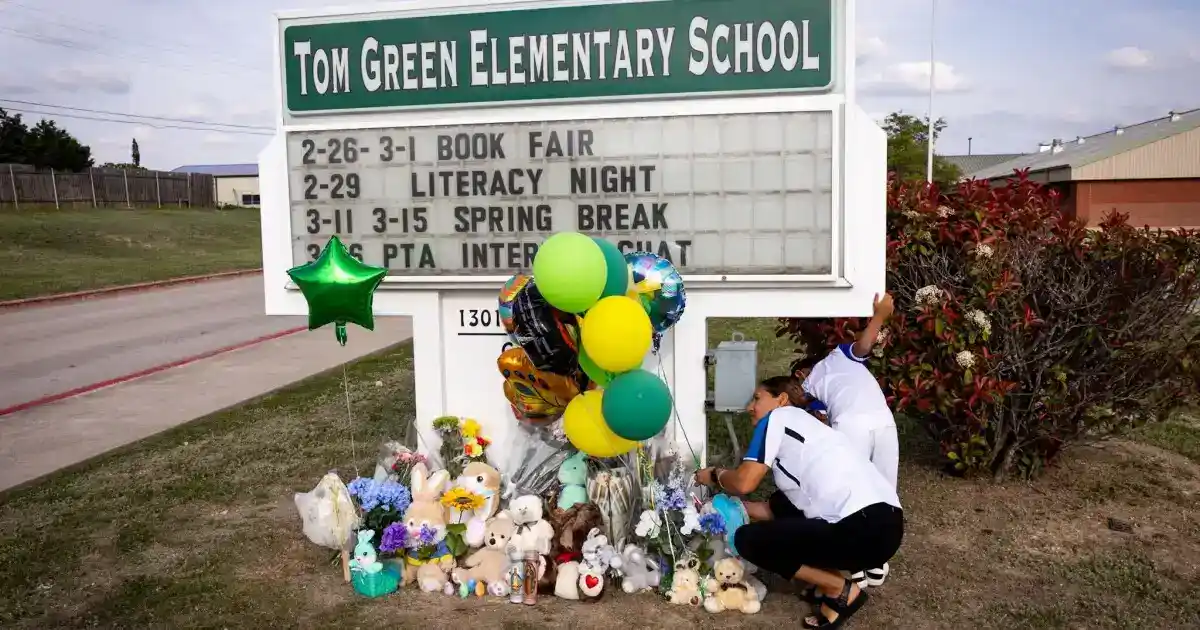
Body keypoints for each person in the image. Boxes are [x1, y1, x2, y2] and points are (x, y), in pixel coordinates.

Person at [694, 376, 904, 628]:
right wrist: (720, 508)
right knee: (784, 511)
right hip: (887, 529)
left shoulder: (778, 417)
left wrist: (715, 475)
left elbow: (744, 482)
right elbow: (776, 509)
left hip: (860, 529)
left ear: (781, 400)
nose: (750, 407)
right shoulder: (814, 434)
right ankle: (824, 582)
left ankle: (840, 589)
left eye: (757, 398)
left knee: (748, 539)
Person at [793, 292, 899, 588]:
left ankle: (868, 557)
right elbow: (817, 419)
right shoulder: (820, 381)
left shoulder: (832, 361)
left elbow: (864, 345)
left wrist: (880, 316)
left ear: (800, 372)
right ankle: (860, 559)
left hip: (872, 422)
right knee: (872, 489)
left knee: (870, 490)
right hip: (872, 421)